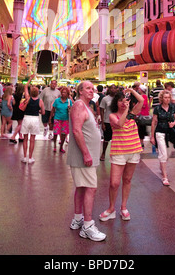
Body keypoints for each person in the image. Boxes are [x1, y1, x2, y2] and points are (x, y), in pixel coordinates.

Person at [67, 81, 106, 242]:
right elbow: (76, 130)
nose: (92, 90)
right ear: (80, 91)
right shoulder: (79, 105)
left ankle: (78, 219)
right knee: (91, 188)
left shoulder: (86, 106)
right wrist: (86, 154)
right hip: (84, 157)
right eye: (88, 88)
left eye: (93, 88)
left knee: (82, 188)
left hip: (87, 157)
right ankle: (88, 226)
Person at [99, 88, 143, 222]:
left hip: (133, 151)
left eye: (126, 101)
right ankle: (111, 208)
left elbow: (141, 100)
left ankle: (123, 207)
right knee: (114, 183)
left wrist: (131, 90)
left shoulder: (132, 113)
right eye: (120, 101)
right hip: (119, 152)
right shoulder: (113, 115)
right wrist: (127, 110)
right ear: (116, 103)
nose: (124, 103)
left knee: (128, 180)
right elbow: (120, 124)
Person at [150, 90, 175, 186]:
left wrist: (173, 123)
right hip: (160, 132)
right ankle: (165, 177)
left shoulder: (172, 107)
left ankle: (161, 165)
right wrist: (152, 136)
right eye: (165, 97)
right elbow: (154, 122)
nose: (167, 99)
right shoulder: (157, 109)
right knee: (164, 154)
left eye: (168, 97)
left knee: (168, 154)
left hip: (170, 133)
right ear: (162, 98)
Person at [21, 75, 45, 164]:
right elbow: (43, 112)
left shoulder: (28, 98)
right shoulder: (40, 101)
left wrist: (30, 79)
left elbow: (25, 86)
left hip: (26, 118)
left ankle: (24, 157)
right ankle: (30, 157)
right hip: (35, 119)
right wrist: (38, 111)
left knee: (25, 138)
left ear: (31, 92)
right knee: (32, 139)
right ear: (38, 92)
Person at [49, 86, 72, 153]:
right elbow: (53, 110)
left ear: (67, 94)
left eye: (65, 92)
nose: (63, 94)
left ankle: (61, 146)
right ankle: (55, 146)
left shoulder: (69, 101)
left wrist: (70, 108)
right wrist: (50, 119)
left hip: (65, 119)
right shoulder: (57, 100)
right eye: (62, 92)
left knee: (63, 134)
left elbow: (72, 110)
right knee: (56, 133)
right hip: (57, 118)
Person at [99, 84, 117, 161]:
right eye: (111, 88)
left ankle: (114, 154)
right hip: (107, 121)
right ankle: (103, 153)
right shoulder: (105, 99)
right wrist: (103, 123)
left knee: (116, 139)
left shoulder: (119, 98)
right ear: (109, 89)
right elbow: (102, 110)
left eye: (114, 88)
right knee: (106, 139)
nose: (113, 90)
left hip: (117, 121)